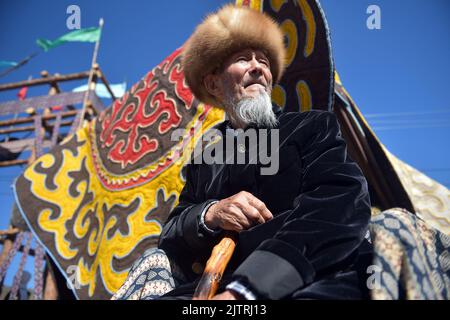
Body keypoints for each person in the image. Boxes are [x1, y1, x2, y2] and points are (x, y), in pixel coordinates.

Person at [112, 4, 372, 300]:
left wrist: (247, 290)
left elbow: (339, 202)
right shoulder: (206, 158)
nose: (258, 67)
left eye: (263, 61)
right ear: (213, 83)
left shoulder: (312, 126)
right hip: (204, 290)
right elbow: (171, 233)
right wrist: (211, 214)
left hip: (300, 279)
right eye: (242, 59)